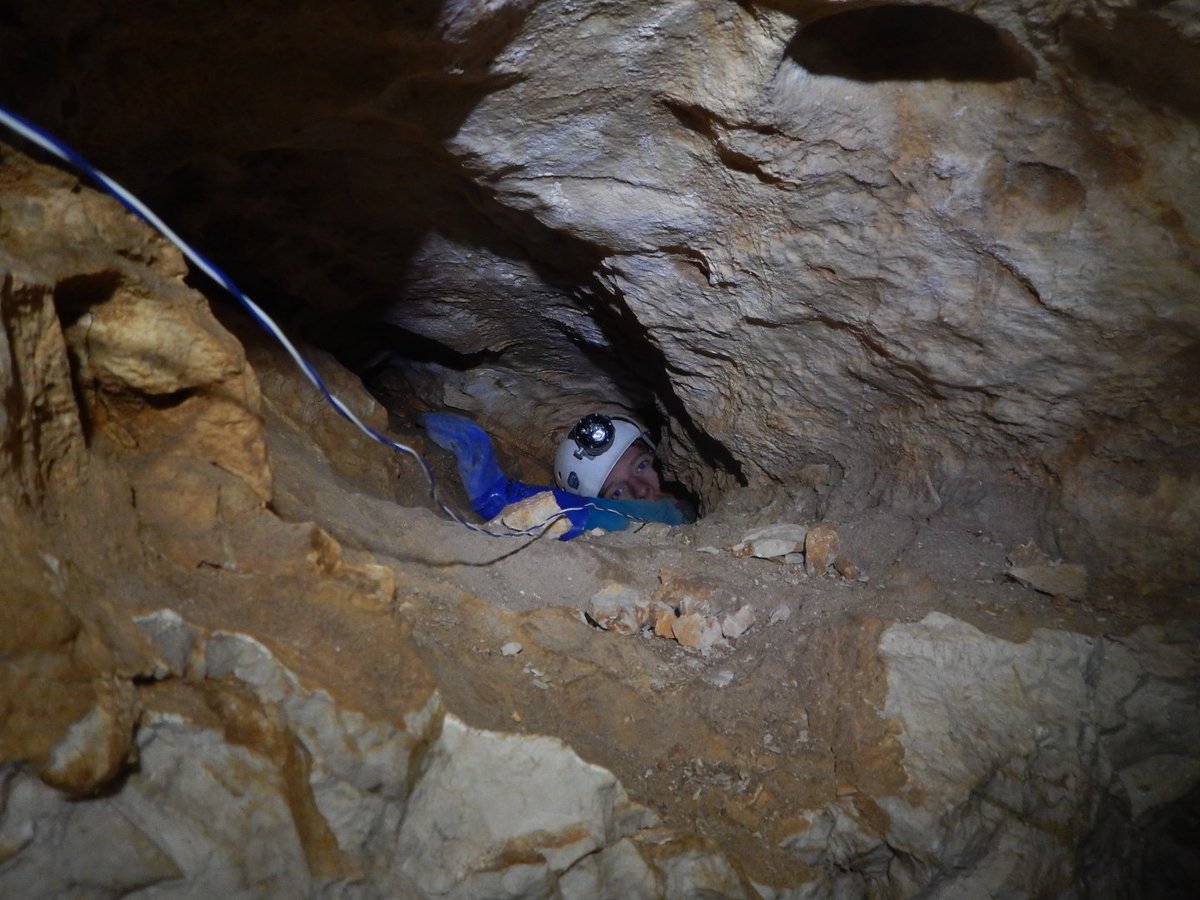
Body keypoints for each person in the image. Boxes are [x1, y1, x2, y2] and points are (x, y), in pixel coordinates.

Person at [419, 410, 694, 539]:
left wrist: (499, 496)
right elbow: (602, 515)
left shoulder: (681, 513)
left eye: (641, 466)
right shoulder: (621, 519)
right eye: (617, 493)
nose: (642, 489)